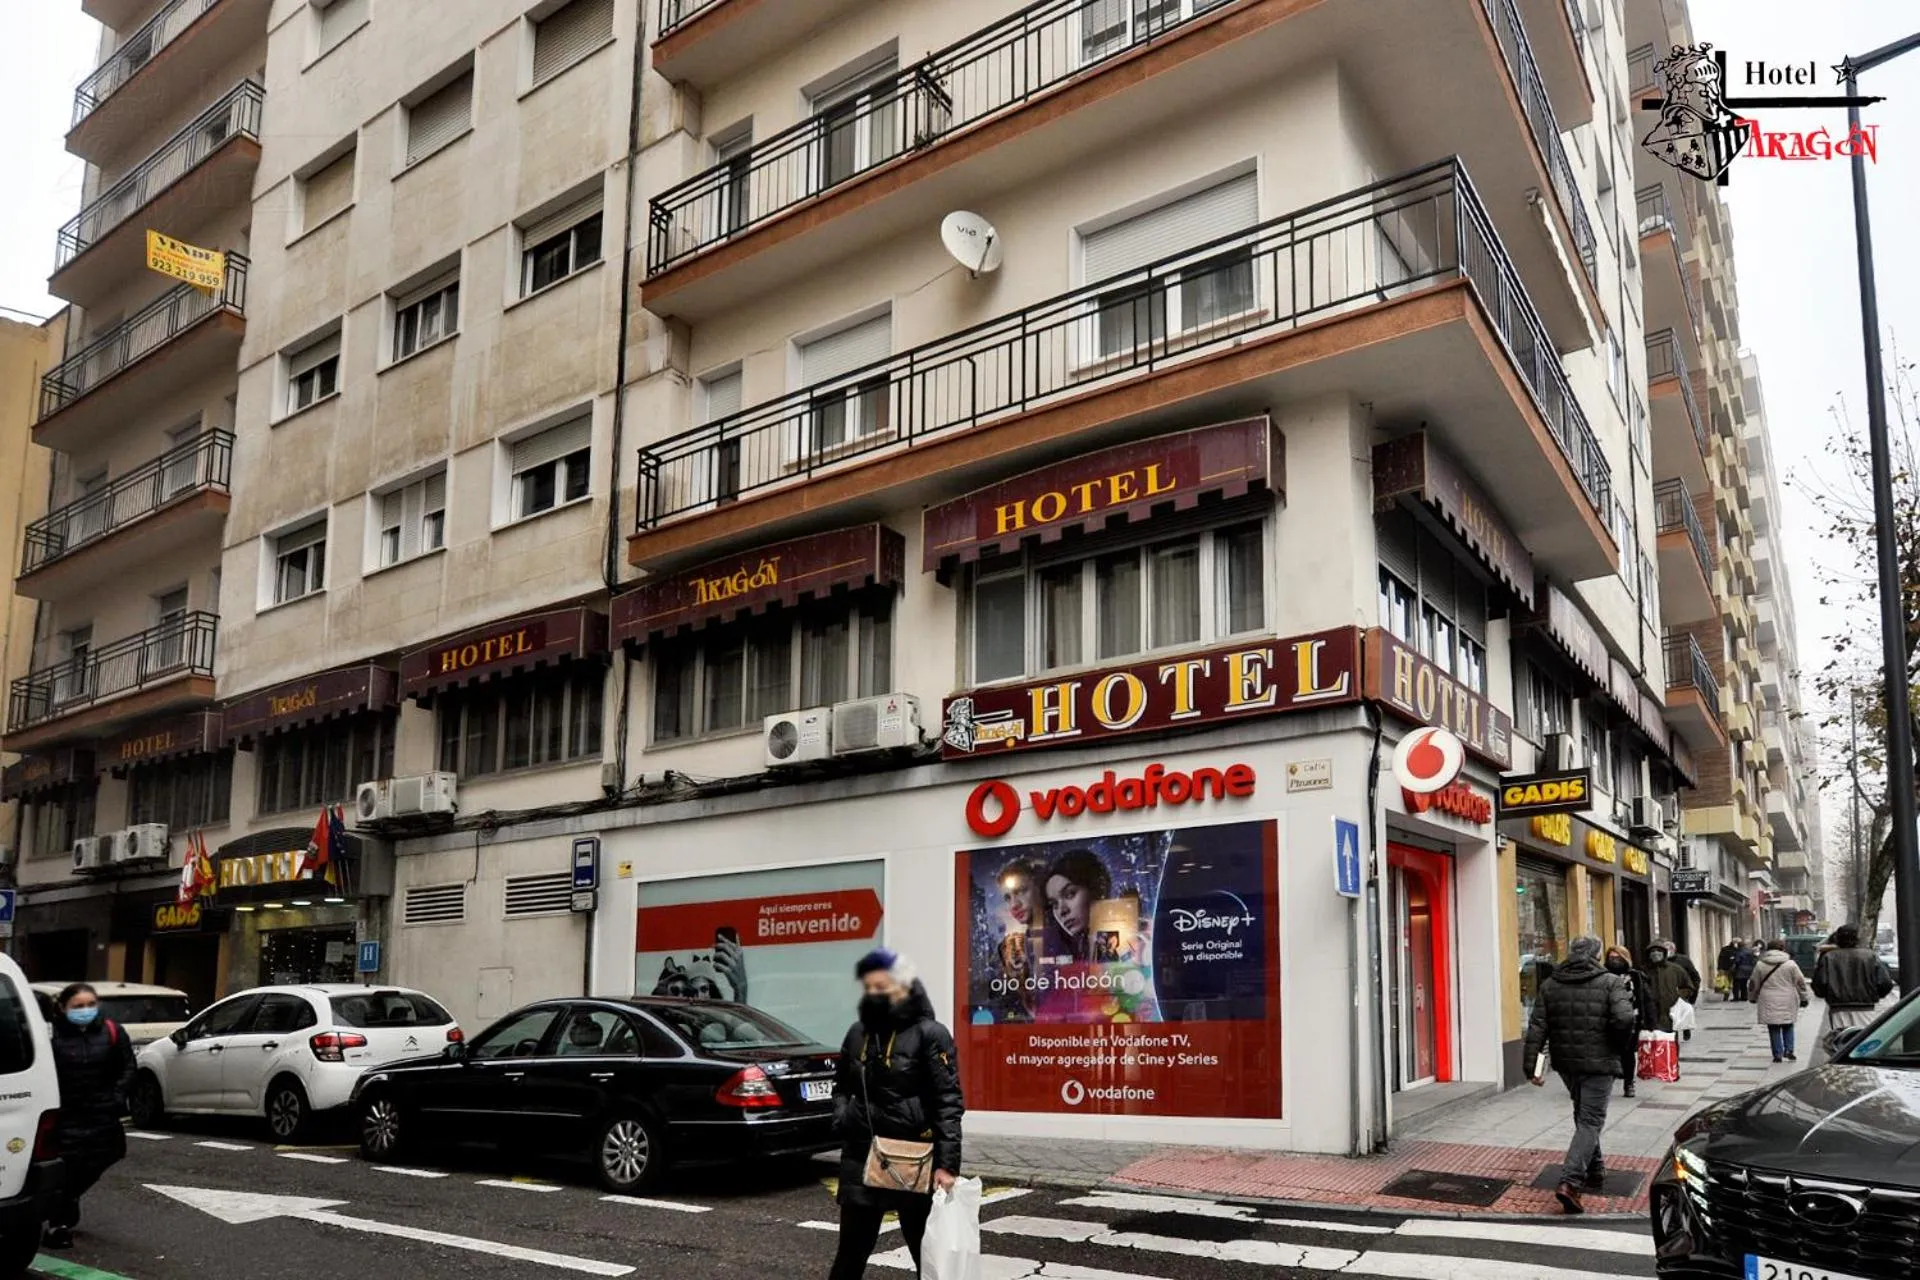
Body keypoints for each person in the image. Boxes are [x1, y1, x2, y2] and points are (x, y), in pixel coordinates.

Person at [829, 949, 964, 1280]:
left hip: (914, 1159)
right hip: (862, 1156)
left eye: (884, 987)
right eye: (871, 988)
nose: (876, 995)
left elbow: (948, 1101)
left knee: (929, 1258)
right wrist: (844, 1118)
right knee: (849, 1258)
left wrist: (947, 1165)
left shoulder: (930, 1033)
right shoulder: (857, 1032)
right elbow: (841, 1087)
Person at [1523, 936, 1636, 1214]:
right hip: (1599, 1063)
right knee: (1590, 1120)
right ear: (1597, 955)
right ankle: (1570, 1182)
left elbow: (1537, 1027)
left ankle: (1595, 1169)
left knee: (1582, 1114)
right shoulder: (1611, 982)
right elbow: (1624, 1019)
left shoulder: (1550, 985)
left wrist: (1531, 1067)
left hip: (1567, 1063)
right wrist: (1617, 1044)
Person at [45, 982, 136, 1248]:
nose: (85, 1011)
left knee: (108, 1154)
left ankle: (67, 1200)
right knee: (68, 1165)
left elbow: (128, 1067)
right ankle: (58, 1224)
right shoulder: (51, 1035)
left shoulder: (112, 1031)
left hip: (103, 1112)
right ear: (63, 1008)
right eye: (78, 1006)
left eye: (90, 1005)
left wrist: (117, 1096)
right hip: (66, 1114)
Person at [1812, 923, 1894, 1062]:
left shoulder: (1828, 957)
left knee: (1840, 1044)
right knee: (1865, 1043)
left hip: (1839, 1008)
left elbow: (1819, 985)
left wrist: (1829, 994)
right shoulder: (1870, 956)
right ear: (1857, 938)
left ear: (1837, 938)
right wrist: (1874, 995)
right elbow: (1885, 983)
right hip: (1866, 1008)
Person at [1042, 849, 1111, 960]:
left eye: (1070, 894)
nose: (1062, 911)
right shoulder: (1077, 950)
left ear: (1095, 889)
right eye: (1054, 904)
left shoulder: (1126, 940)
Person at [1603, 946, 1653, 1097]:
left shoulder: (1636, 976)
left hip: (1631, 1020)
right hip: (1608, 1020)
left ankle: (1629, 1083)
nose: (1614, 961)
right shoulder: (1602, 976)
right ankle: (1607, 1082)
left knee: (1628, 1053)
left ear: (1625, 959)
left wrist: (1651, 1022)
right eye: (1611, 958)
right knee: (1608, 1052)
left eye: (1618, 958)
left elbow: (1646, 999)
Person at [1750, 939, 1810, 1062]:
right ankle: (1789, 1050)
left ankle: (1777, 1054)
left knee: (1773, 1026)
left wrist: (1752, 997)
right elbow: (1801, 982)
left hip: (1768, 997)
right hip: (1788, 997)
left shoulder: (1760, 964)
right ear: (1783, 949)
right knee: (1788, 1024)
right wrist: (1804, 997)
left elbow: (1753, 983)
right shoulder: (1791, 964)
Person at [1644, 940, 1699, 1046]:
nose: (1656, 954)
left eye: (1659, 951)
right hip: (1650, 1015)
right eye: (1653, 951)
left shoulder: (1675, 969)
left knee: (1671, 1044)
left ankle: (1672, 1062)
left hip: (1670, 1014)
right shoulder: (1643, 970)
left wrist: (1677, 996)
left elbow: (1688, 986)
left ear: (1664, 953)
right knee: (1652, 1046)